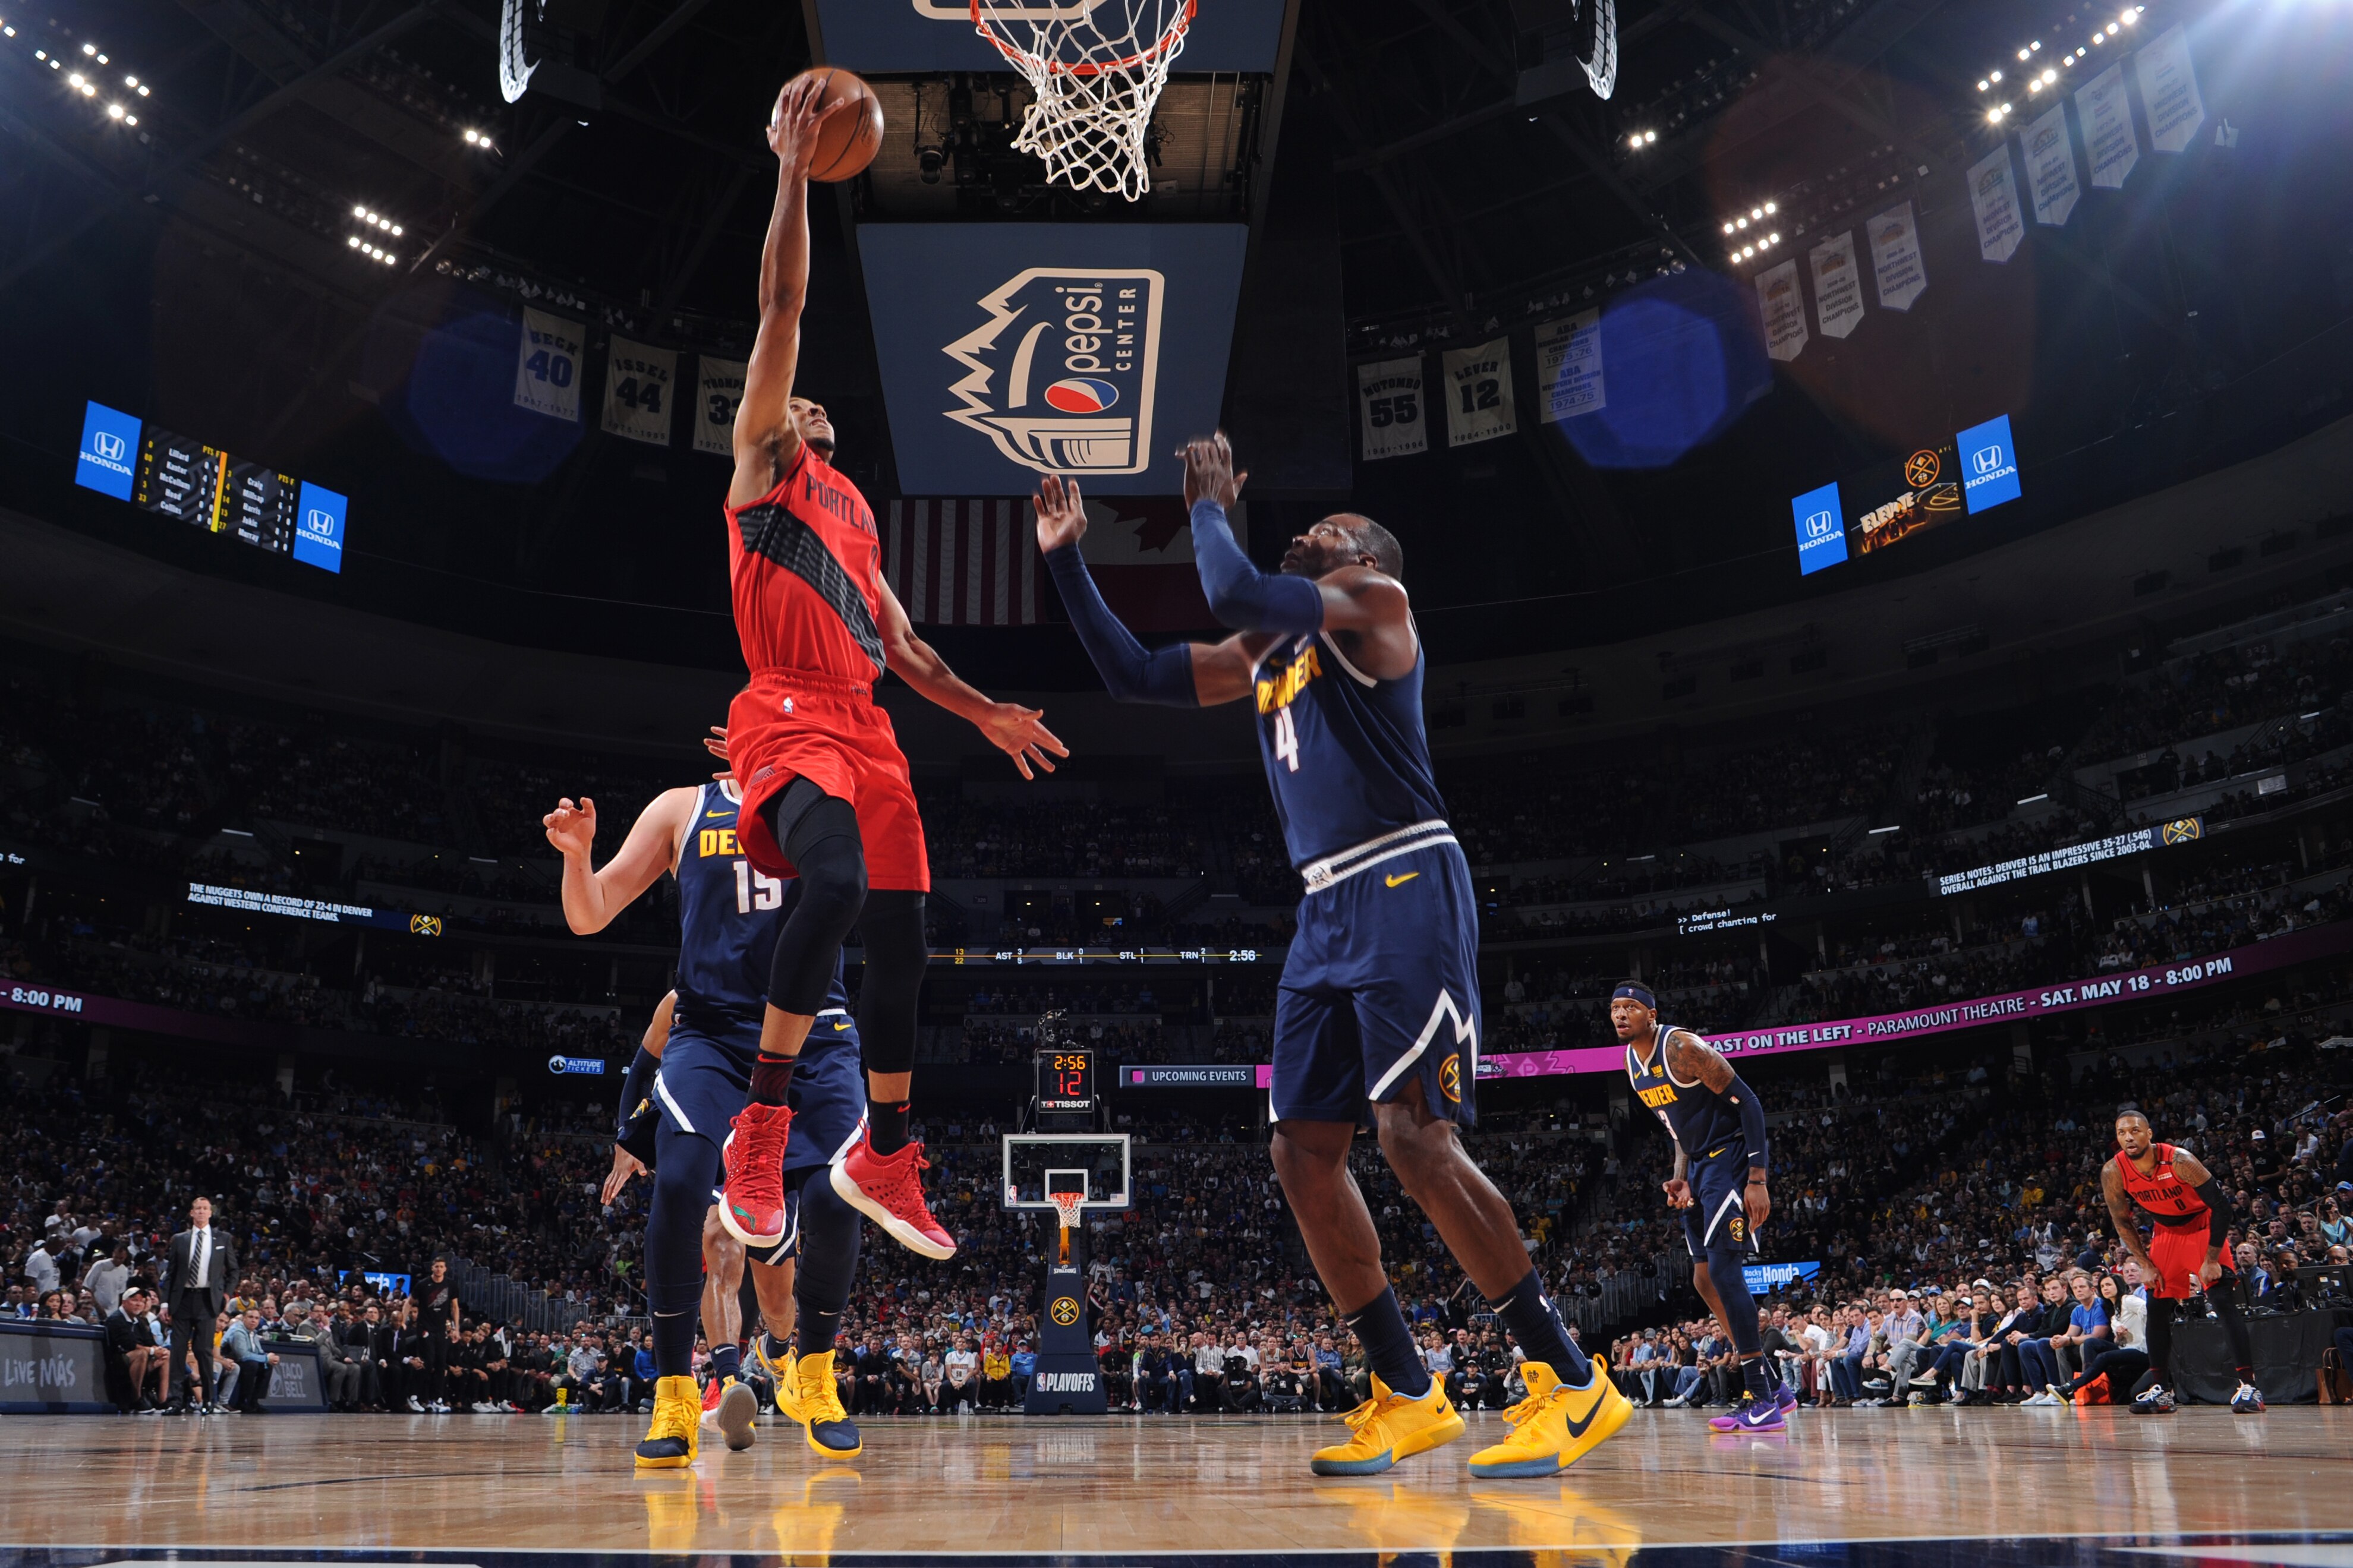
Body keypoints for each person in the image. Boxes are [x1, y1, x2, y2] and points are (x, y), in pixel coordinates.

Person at [1034, 435, 1626, 1479]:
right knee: (1300, 1152)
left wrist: (1208, 506)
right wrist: (1064, 558)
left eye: (1330, 531)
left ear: (1364, 562)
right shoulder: (1271, 654)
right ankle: (1405, 1389)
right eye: (1309, 530)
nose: (1312, 532)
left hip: (1404, 881)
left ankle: (1569, 1381)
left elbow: (1227, 584)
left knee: (1409, 1136)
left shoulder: (1377, 609)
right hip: (1320, 908)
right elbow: (1130, 674)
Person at [708, 73, 1066, 1269]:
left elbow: (905, 647)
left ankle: (886, 1150)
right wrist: (789, 175)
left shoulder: (853, 509)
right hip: (785, 713)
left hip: (868, 726)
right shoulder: (762, 468)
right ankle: (757, 1129)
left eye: (810, 400)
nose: (798, 396)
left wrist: (985, 710)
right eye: (788, 391)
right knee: (833, 883)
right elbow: (779, 301)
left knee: (907, 936)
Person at [550, 767, 871, 1469]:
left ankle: (811, 1373)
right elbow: (589, 912)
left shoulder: (822, 796)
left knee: (834, 1194)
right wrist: (579, 859)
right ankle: (674, 1391)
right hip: (712, 1031)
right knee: (684, 1180)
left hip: (815, 1027)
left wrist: (801, 772)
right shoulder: (680, 806)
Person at [1610, 985, 1790, 1433]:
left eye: (1630, 1007)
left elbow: (1748, 1102)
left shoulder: (1683, 1047)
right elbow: (1678, 1130)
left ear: (1651, 1013)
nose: (1620, 1015)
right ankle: (1772, 1386)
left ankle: (1760, 1397)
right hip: (1701, 1169)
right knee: (1703, 1276)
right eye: (1614, 1009)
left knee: (1726, 1272)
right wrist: (1680, 1173)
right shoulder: (1633, 1065)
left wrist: (1757, 1179)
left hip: (1730, 1160)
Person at [2101, 1109, 2266, 1414]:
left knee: (2221, 1299)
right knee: (2157, 1305)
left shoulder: (2180, 1160)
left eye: (2135, 1131)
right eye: (2122, 1133)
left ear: (2149, 1134)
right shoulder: (2114, 1171)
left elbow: (2221, 1207)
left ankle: (2249, 1388)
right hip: (2166, 1233)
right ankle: (2162, 1391)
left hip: (2203, 1225)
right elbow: (2122, 1221)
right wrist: (2145, 1263)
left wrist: (2212, 1257)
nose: (2128, 1137)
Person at [162, 1195, 234, 1415]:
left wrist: (227, 1295)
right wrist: (165, 1303)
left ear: (211, 1213)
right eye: (198, 1209)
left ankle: (208, 1401)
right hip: (182, 1299)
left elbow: (234, 1271)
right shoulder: (180, 1239)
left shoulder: (223, 1239)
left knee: (204, 1351)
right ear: (192, 1213)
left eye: (205, 1208)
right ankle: (175, 1401)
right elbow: (171, 1274)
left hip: (207, 1301)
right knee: (178, 1351)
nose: (202, 1212)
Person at [220, 1308, 276, 1414]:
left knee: (267, 1366)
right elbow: (243, 1356)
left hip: (241, 1361)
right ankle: (242, 1401)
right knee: (252, 1365)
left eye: (257, 1318)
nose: (254, 1321)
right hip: (228, 1359)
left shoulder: (253, 1333)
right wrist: (266, 1358)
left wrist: (268, 1357)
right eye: (251, 1317)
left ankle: (254, 1402)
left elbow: (258, 1352)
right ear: (244, 1319)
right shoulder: (238, 1331)